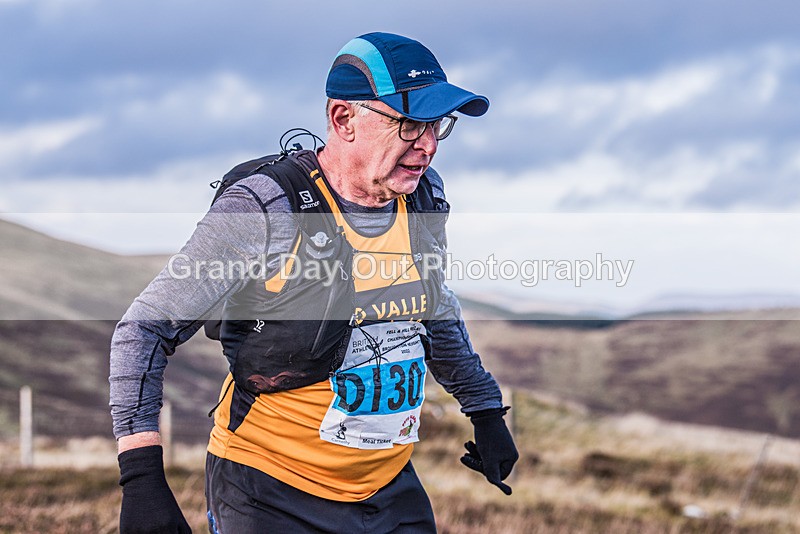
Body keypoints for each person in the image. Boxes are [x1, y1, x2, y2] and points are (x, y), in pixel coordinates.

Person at [110, 32, 518, 533]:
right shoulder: (267, 207)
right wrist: (142, 479)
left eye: (436, 125)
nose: (428, 145)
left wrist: (485, 410)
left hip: (388, 489)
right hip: (270, 492)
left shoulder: (423, 196)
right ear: (343, 119)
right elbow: (143, 331)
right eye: (410, 124)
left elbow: (433, 307)